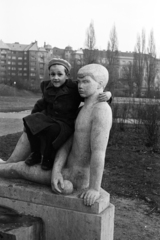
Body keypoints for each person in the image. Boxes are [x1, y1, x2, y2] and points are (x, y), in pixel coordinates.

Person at [0, 63, 112, 206]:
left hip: (76, 176)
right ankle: (8, 163)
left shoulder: (101, 110)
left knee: (18, 169)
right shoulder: (82, 110)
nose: (80, 86)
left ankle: (5, 166)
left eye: (86, 81)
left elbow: (99, 152)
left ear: (100, 84)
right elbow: (67, 144)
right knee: (32, 129)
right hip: (65, 170)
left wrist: (95, 189)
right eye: (79, 81)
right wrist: (56, 171)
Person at [20, 58, 111, 171]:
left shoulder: (74, 88)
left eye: (60, 74)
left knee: (52, 130)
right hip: (50, 119)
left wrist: (108, 95)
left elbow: (91, 95)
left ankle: (48, 158)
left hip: (64, 123)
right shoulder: (47, 87)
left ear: (67, 75)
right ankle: (36, 153)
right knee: (28, 121)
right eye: (52, 74)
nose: (56, 78)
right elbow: (41, 103)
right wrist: (32, 119)